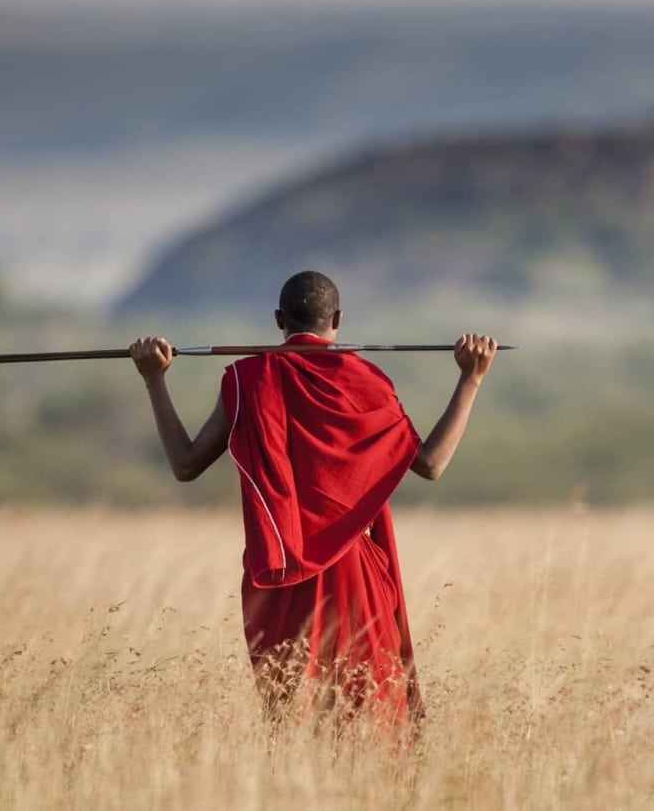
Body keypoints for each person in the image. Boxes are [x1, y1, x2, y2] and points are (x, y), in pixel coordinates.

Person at [130, 270, 498, 728]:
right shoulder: (366, 379)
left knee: (294, 727)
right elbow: (430, 464)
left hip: (279, 578)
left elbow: (185, 465)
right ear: (338, 319)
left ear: (279, 319)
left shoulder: (250, 378)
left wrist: (154, 380)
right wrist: (471, 379)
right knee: (372, 726)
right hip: (354, 577)